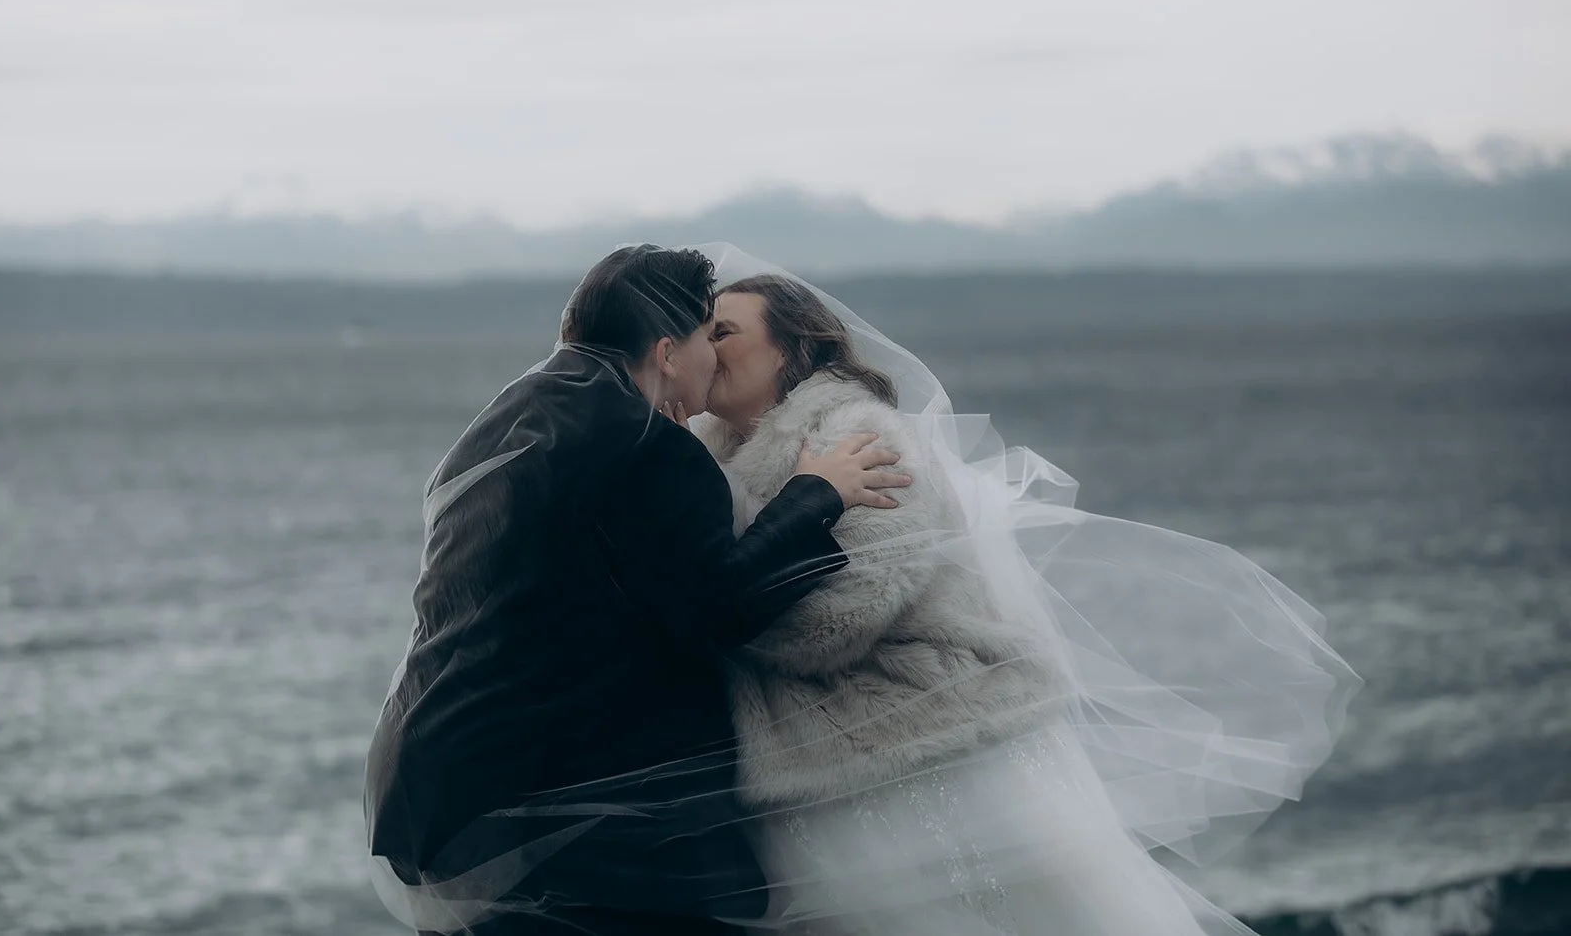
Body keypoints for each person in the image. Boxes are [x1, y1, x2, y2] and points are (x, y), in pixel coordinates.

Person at [682, 246, 1361, 935]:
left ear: (794, 347)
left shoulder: (859, 435)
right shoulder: (705, 456)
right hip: (824, 772)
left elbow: (840, 616)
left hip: (919, 757)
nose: (705, 348)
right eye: (700, 332)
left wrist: (705, 614)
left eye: (724, 331)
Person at [363, 244, 912, 936]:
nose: (713, 357)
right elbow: (721, 607)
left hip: (435, 779)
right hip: (557, 818)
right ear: (666, 351)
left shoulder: (510, 415)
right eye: (704, 336)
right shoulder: (646, 444)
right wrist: (815, 494)